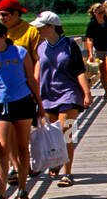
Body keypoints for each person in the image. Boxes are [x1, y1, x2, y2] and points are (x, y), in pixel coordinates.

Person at [0, 20, 43, 199]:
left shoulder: (20, 52)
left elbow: (31, 79)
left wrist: (40, 103)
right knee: (2, 147)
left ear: (4, 37)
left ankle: (22, 189)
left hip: (22, 101)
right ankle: (1, 194)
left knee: (23, 147)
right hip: (0, 104)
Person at [32, 10, 91, 186]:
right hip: (47, 95)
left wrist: (86, 93)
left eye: (41, 28)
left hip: (69, 94)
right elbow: (38, 70)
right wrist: (33, 94)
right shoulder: (41, 47)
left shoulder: (69, 44)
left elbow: (79, 70)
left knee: (66, 133)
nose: (38, 31)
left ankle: (68, 173)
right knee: (49, 132)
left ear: (51, 27)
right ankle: (55, 162)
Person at [84, 2, 107, 100]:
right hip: (98, 49)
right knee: (102, 72)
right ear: (94, 13)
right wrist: (90, 54)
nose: (101, 14)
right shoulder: (92, 24)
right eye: (99, 12)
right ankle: (106, 91)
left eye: (102, 11)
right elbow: (89, 39)